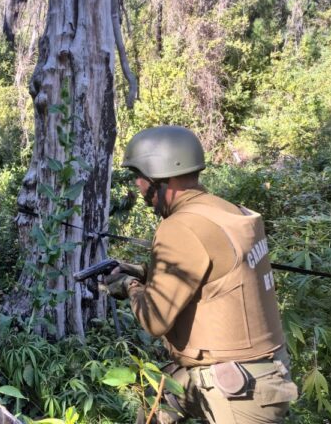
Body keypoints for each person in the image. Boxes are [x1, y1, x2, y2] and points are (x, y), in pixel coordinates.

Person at [104, 126, 298, 423]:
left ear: (159, 177)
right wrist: (145, 273)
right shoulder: (229, 211)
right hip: (265, 370)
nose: (138, 187)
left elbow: (155, 319)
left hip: (238, 390)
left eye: (139, 177)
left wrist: (129, 286)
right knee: (153, 406)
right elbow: (216, 277)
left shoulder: (180, 226)